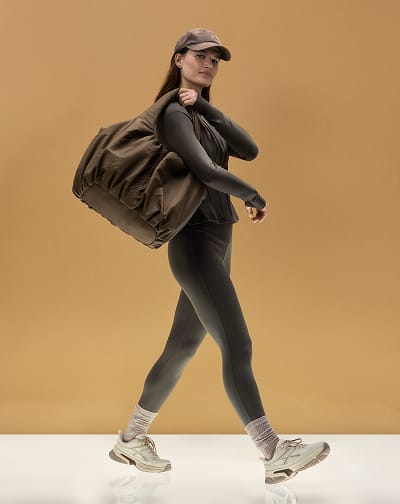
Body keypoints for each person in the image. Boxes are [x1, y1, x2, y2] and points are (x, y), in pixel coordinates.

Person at [109, 28, 330, 484]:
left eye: (215, 59)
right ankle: (273, 451)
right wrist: (252, 194)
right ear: (178, 59)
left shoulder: (198, 114)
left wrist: (206, 106)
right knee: (237, 345)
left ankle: (131, 439)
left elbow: (248, 148)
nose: (209, 64)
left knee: (181, 347)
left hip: (216, 241)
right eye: (200, 56)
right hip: (193, 243)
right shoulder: (173, 113)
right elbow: (206, 171)